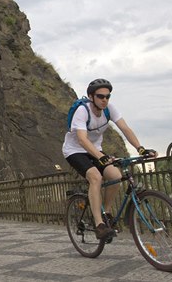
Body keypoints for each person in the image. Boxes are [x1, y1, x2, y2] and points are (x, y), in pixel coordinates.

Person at [62, 79, 157, 239]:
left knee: (116, 176)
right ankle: (99, 224)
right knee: (95, 177)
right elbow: (82, 140)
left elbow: (125, 128)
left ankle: (106, 212)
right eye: (100, 96)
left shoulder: (109, 109)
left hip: (95, 151)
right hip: (74, 151)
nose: (105, 100)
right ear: (91, 97)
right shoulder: (82, 111)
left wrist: (140, 148)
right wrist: (101, 157)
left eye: (108, 96)